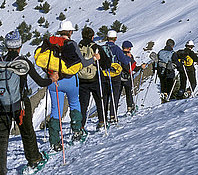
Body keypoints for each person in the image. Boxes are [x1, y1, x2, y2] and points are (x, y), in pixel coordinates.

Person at [0, 30, 56, 174]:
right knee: (27, 132)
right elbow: (41, 82)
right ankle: (34, 159)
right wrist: (52, 79)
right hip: (20, 105)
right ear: (20, 45)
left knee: (0, 138)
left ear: (6, 46)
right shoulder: (22, 62)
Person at [34, 20, 99, 151]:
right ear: (70, 32)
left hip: (54, 81)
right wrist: (95, 58)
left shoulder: (50, 43)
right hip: (70, 80)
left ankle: (55, 141)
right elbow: (83, 63)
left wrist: (51, 73)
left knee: (55, 110)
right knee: (75, 104)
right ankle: (76, 132)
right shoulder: (72, 44)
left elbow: (43, 62)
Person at [78, 27, 111, 130]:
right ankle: (102, 121)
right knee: (101, 100)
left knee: (83, 104)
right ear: (92, 36)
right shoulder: (96, 47)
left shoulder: (77, 47)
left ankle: (81, 126)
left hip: (81, 79)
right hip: (95, 79)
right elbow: (106, 64)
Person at [100, 30, 131, 124]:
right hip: (115, 75)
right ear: (115, 38)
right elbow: (125, 61)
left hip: (104, 74)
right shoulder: (116, 48)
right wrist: (128, 57)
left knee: (105, 95)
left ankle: (104, 116)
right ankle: (113, 115)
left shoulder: (102, 48)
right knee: (115, 95)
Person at [120, 40, 146, 114]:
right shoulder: (126, 56)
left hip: (119, 77)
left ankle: (116, 110)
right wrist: (138, 66)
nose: (130, 49)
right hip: (127, 77)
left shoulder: (119, 54)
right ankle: (130, 107)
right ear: (127, 48)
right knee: (129, 92)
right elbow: (131, 68)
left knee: (119, 94)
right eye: (129, 48)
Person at [154, 39, 178, 103]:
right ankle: (168, 96)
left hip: (160, 70)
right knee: (170, 83)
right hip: (169, 71)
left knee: (163, 83)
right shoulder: (172, 53)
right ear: (172, 45)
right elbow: (176, 62)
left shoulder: (160, 52)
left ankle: (163, 94)